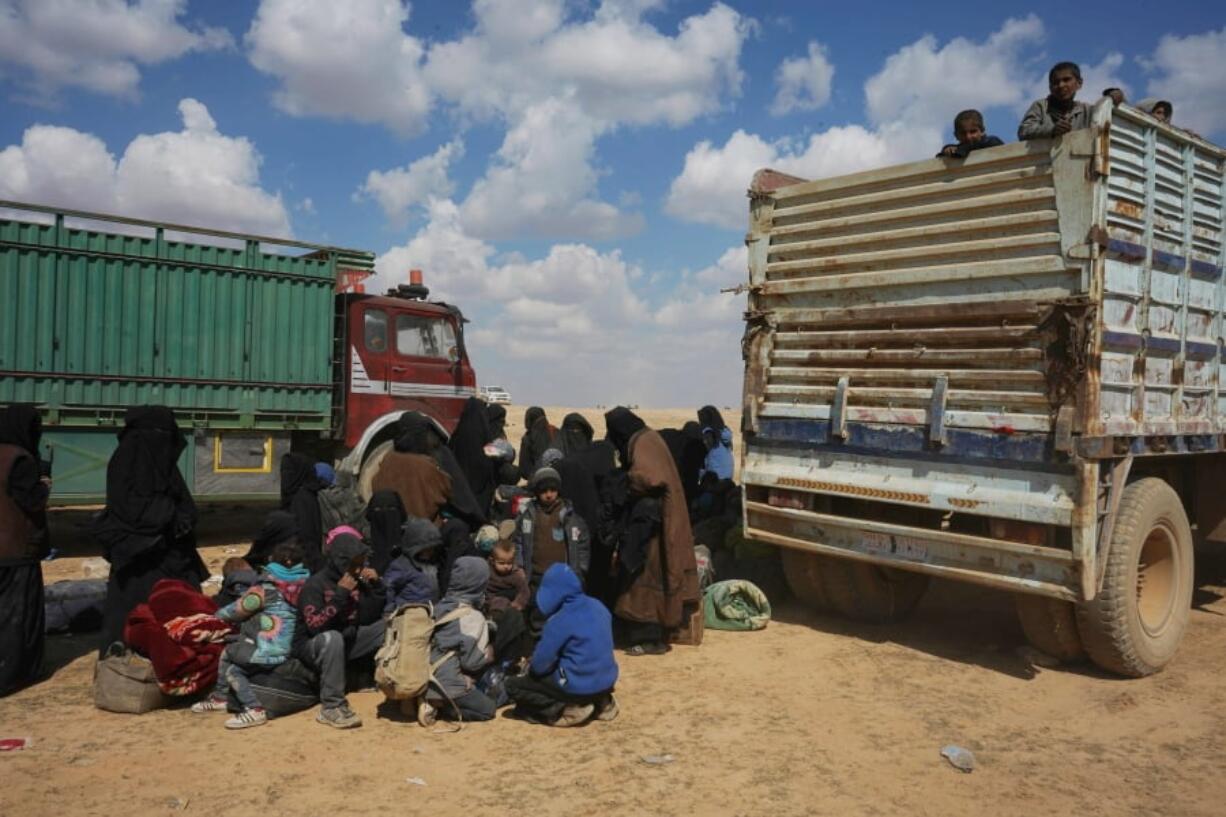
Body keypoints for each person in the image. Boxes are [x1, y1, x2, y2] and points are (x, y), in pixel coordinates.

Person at [94, 406, 207, 657]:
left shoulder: (161, 465)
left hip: (170, 559)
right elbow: (132, 509)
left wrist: (179, 519)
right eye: (158, 432)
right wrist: (169, 515)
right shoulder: (128, 463)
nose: (164, 440)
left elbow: (183, 506)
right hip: (138, 558)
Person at [605, 407, 700, 656]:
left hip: (655, 522)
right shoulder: (647, 438)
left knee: (645, 579)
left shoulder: (642, 442)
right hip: (659, 518)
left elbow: (650, 477)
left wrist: (624, 481)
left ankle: (649, 639)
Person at [191, 540, 309, 729]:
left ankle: (251, 708)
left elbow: (236, 611)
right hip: (296, 648)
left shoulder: (267, 588)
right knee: (236, 670)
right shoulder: (306, 584)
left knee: (230, 653)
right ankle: (223, 697)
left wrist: (213, 617)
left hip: (272, 650)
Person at [506, 563, 619, 727]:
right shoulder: (598, 606)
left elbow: (539, 666)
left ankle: (566, 708)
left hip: (576, 684)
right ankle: (604, 702)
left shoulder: (559, 620)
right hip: (607, 681)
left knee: (513, 686)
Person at [293, 533, 385, 728]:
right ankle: (331, 706)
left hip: (346, 640)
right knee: (332, 638)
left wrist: (376, 586)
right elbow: (315, 627)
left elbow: (369, 616)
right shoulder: (315, 585)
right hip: (314, 646)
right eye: (355, 563)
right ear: (340, 561)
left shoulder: (356, 579)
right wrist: (341, 594)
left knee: (388, 626)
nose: (360, 567)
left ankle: (375, 678)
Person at [0, 404, 51, 696]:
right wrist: (44, 483)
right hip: (16, 551)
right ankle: (15, 673)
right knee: (17, 617)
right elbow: (33, 501)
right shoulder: (19, 460)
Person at [417, 556, 497, 726]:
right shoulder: (472, 617)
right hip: (446, 683)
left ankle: (425, 698)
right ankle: (443, 707)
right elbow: (472, 663)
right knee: (488, 709)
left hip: (422, 676)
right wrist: (489, 653)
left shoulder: (439, 606)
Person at [511, 466, 591, 592]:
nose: (549, 495)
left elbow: (582, 546)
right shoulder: (528, 516)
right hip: (535, 577)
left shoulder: (570, 518)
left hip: (563, 577)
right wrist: (519, 568)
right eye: (544, 491)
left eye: (553, 490)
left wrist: (580, 571)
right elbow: (518, 542)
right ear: (537, 492)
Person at [449, 396, 498, 517]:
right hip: (481, 492)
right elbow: (492, 458)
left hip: (461, 492)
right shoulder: (484, 432)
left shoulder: (459, 432)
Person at [1019, 61, 1091, 140]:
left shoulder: (1087, 111)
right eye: (1055, 82)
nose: (1061, 85)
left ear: (1079, 83)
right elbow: (1024, 131)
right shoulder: (1041, 106)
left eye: (1066, 80)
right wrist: (1051, 129)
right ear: (1050, 87)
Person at [383, 517, 442, 611]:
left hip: (431, 609)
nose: (430, 552)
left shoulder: (433, 562)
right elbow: (388, 587)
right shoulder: (401, 566)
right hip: (409, 613)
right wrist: (390, 609)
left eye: (432, 549)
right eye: (426, 549)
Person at [279, 453, 324, 571]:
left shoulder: (301, 499)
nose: (285, 476)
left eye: (290, 472)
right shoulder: (300, 494)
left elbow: (307, 537)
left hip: (303, 566)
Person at [364, 490, 406, 574]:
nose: (384, 513)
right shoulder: (364, 548)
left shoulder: (410, 542)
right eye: (378, 509)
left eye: (391, 508)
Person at [936, 109, 1005, 158]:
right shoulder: (957, 149)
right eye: (963, 133)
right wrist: (948, 150)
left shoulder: (992, 142)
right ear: (956, 135)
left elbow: (992, 144)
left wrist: (961, 150)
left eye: (973, 132)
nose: (968, 137)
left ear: (982, 131)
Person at [485, 539, 529, 614]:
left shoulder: (515, 575)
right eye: (501, 563)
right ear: (492, 561)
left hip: (506, 601)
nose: (506, 566)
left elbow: (524, 591)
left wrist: (517, 603)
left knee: (502, 603)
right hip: (486, 597)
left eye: (509, 563)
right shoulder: (487, 569)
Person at [519, 407, 560, 481]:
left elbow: (524, 470)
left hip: (537, 481)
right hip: (558, 478)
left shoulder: (528, 438)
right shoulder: (556, 432)